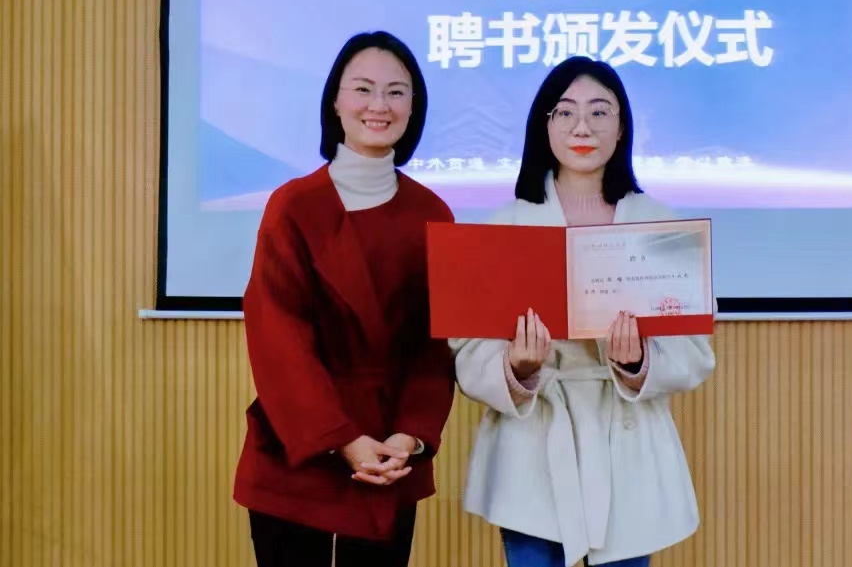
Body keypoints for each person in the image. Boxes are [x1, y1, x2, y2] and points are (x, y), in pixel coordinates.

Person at [451, 56, 716, 567]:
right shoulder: (502, 227)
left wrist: (638, 362)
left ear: (622, 128)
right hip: (531, 447)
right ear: (544, 124)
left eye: (599, 112)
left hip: (628, 446)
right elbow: (467, 350)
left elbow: (695, 350)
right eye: (566, 112)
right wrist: (516, 368)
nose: (582, 127)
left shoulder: (661, 225)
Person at [233, 31, 456, 567]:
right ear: (335, 101)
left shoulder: (433, 214)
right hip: (299, 450)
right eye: (363, 89)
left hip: (390, 455)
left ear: (414, 107)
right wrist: (343, 439)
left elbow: (433, 348)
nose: (380, 105)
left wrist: (410, 437)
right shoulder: (293, 205)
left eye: (396, 92)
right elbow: (278, 341)